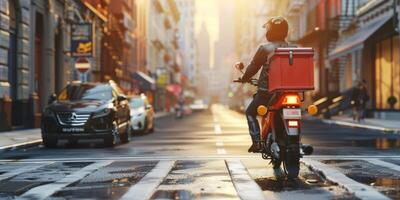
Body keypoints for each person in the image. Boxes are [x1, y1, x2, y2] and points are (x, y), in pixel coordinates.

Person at [239, 17, 289, 153]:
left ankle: (257, 142)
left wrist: (244, 77)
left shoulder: (265, 48)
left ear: (270, 31)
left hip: (267, 92)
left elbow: (254, 66)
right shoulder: (293, 48)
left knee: (250, 112)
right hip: (289, 92)